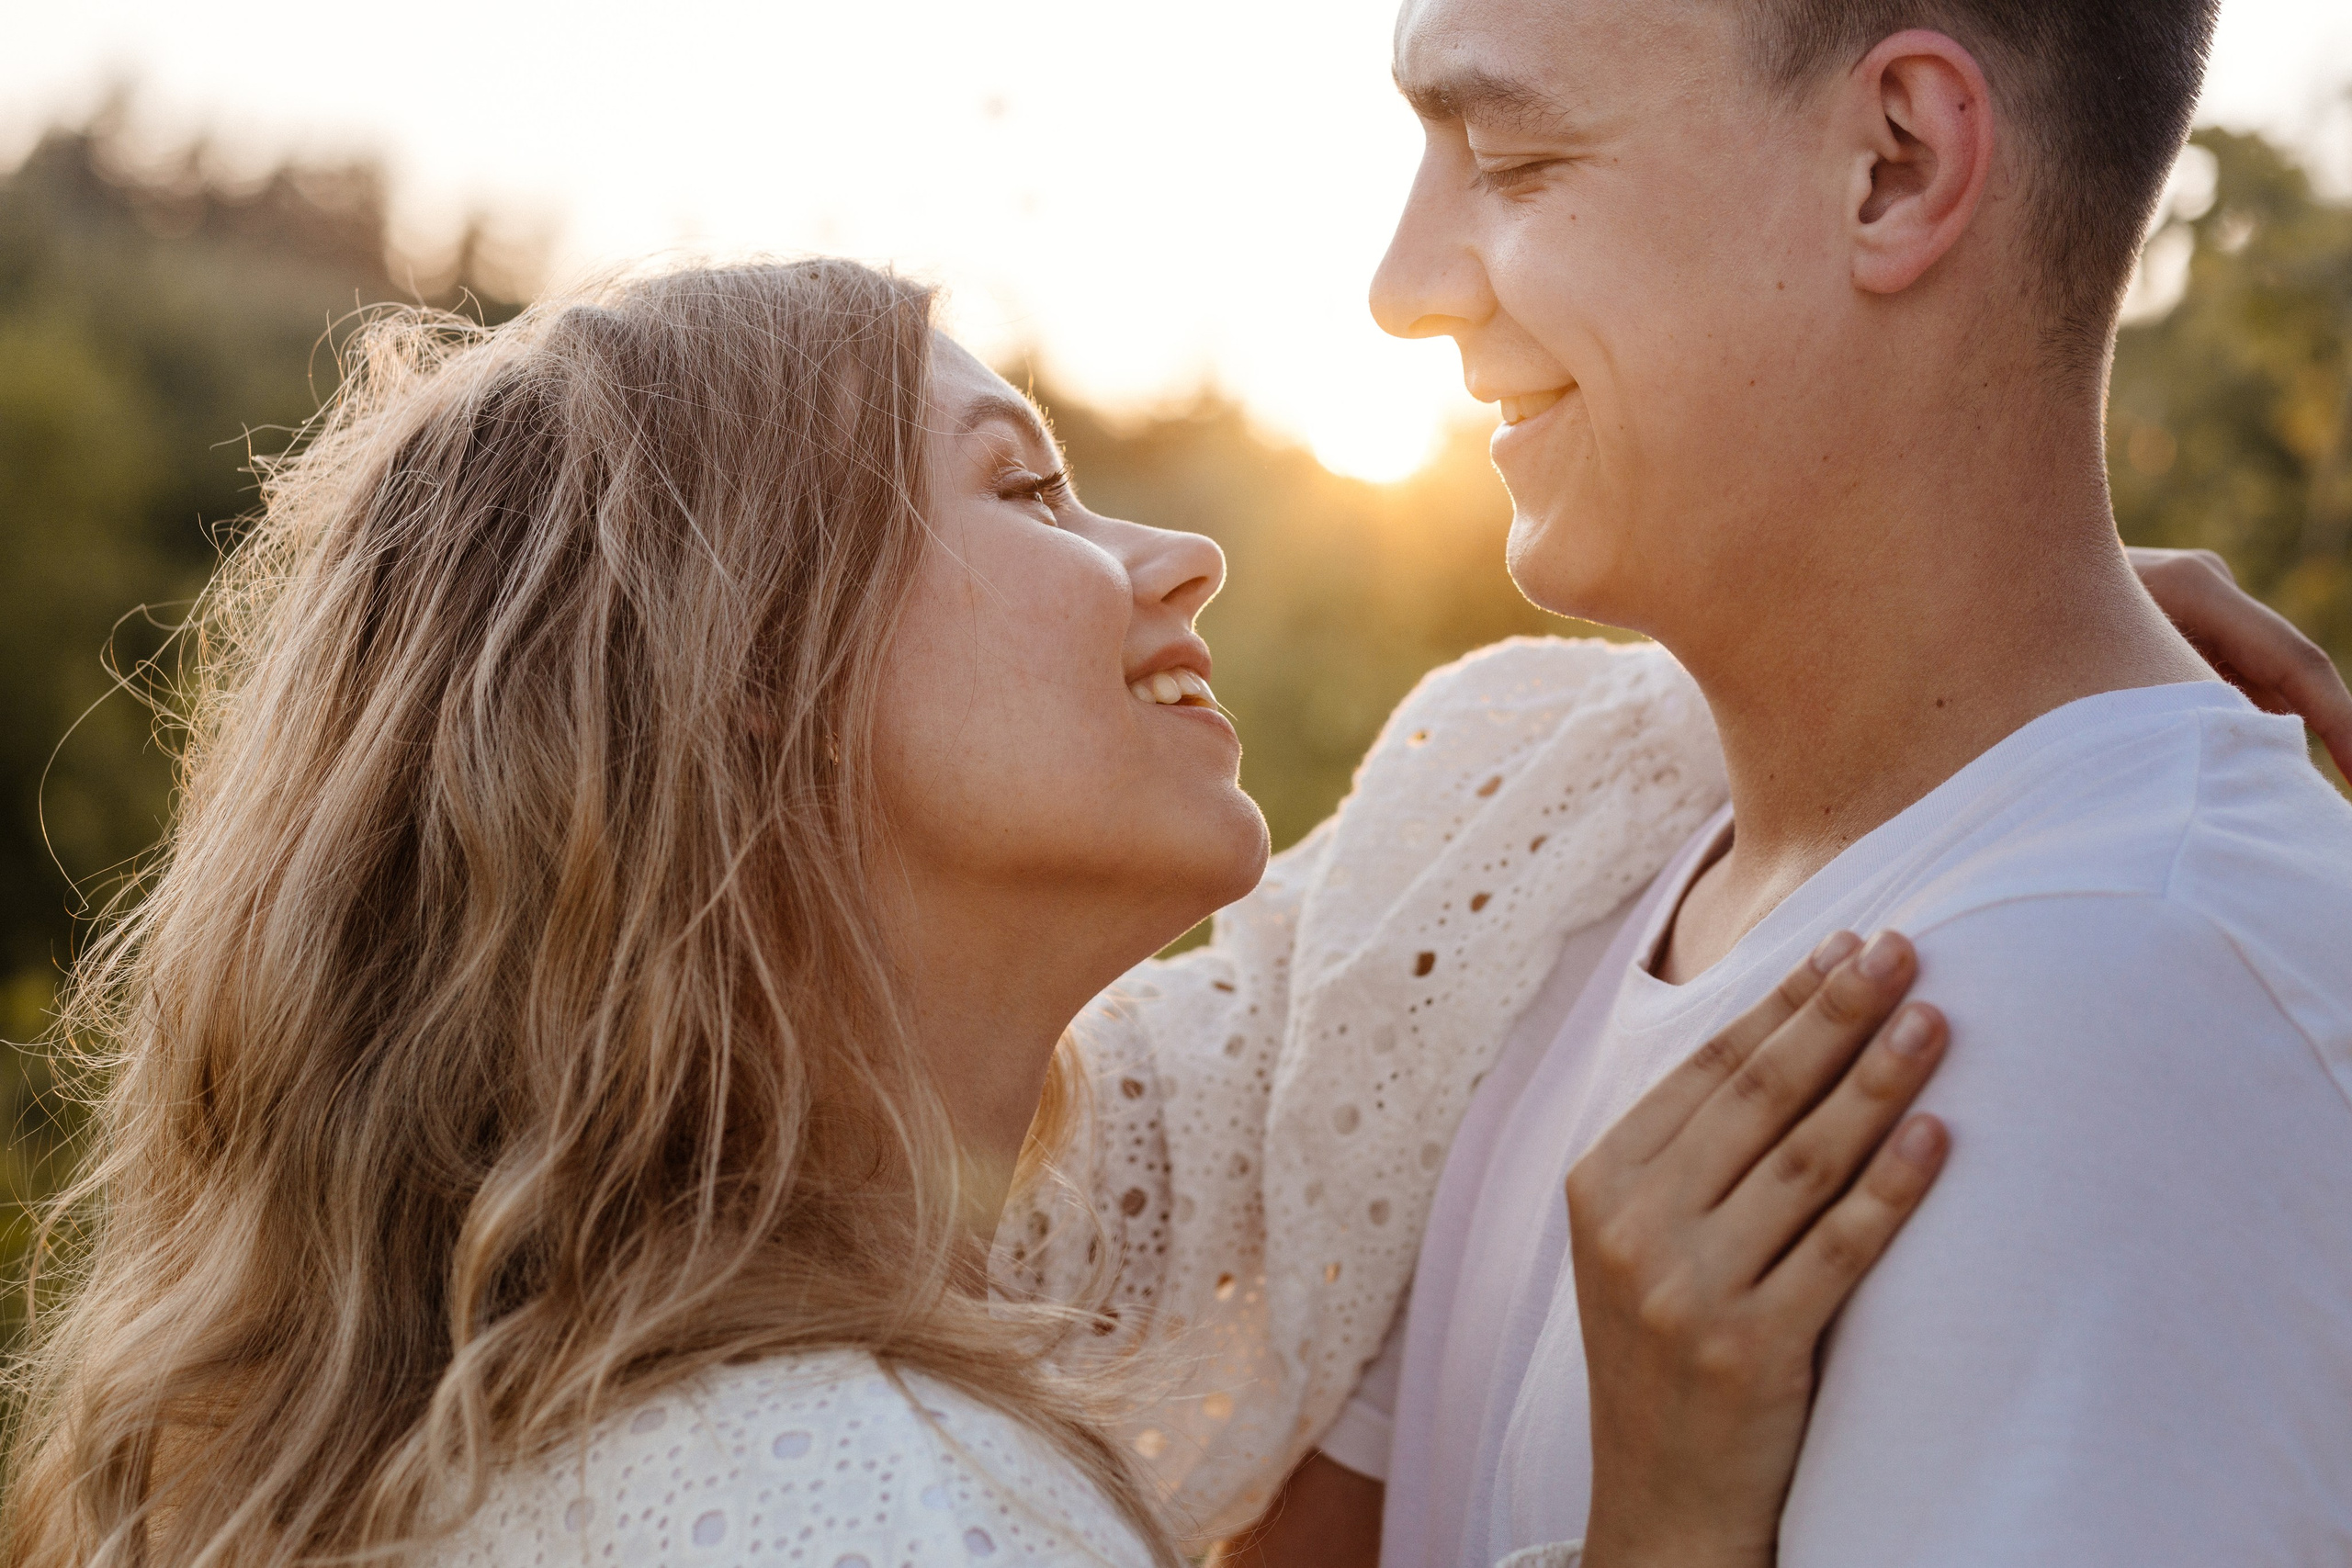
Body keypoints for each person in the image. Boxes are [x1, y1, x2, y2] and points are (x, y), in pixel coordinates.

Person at [2, 258, 1959, 1568]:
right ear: (755, 663)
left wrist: (1934, 642)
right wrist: (1664, 1532)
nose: (1178, 556)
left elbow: (1323, 1020)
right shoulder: (857, 1504)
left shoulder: (578, 1355)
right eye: (1026, 489)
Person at [1212, 0, 2352, 1563]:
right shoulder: (1548, 886)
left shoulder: (2124, 1013)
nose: (1402, 288)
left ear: (1894, 164)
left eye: (1517, 157)